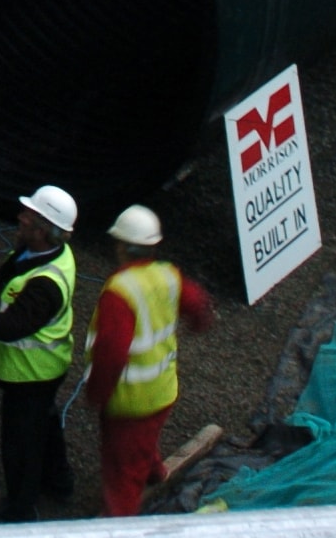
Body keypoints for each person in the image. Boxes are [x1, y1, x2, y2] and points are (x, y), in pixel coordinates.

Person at [0, 185, 81, 520]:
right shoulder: (46, 253)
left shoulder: (45, 283)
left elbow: (14, 326)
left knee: (21, 446)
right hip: (41, 372)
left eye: (29, 215)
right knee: (46, 422)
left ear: (43, 230)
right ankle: (59, 481)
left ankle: (21, 512)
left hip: (30, 375)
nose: (20, 217)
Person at [83, 205, 213, 516]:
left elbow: (111, 352)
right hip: (163, 389)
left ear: (122, 247)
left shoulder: (120, 291)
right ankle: (155, 471)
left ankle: (121, 523)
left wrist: (97, 392)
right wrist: (198, 323)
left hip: (130, 401)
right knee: (144, 439)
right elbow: (197, 305)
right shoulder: (168, 274)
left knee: (121, 476)